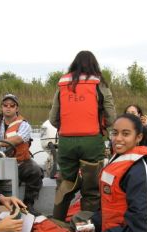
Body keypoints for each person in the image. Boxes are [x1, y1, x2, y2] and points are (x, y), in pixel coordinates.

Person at [49, 50, 116, 220]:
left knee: (65, 184)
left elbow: (53, 119)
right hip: (92, 142)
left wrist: (67, 129)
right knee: (91, 190)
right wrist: (99, 127)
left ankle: (57, 223)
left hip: (66, 143)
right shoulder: (100, 85)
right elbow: (112, 118)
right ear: (94, 65)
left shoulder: (63, 85)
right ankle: (87, 229)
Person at [0, 93, 44, 216]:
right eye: (5, 105)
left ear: (17, 108)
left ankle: (28, 205)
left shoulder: (24, 124)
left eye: (12, 105)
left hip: (20, 163)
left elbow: (17, 139)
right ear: (1, 107)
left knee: (36, 171)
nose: (8, 107)